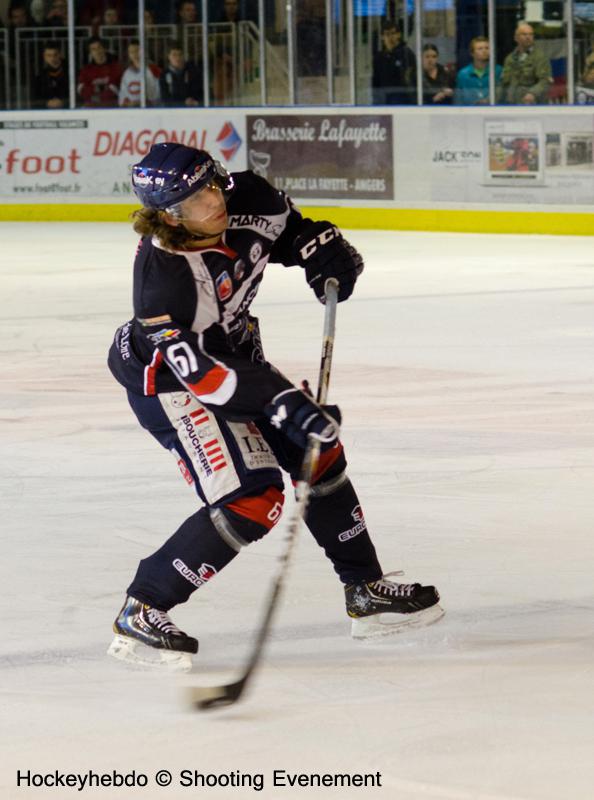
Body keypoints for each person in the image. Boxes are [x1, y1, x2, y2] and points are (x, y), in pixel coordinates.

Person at [106, 143, 444, 669]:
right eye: (193, 202)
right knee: (252, 500)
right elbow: (206, 377)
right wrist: (285, 403)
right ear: (168, 215)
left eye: (212, 185)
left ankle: (365, 590)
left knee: (319, 453)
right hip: (176, 383)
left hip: (238, 355)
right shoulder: (162, 282)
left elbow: (288, 233)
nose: (212, 202)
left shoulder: (249, 195)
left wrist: (319, 251)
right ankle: (144, 607)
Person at [497, 22, 552, 105]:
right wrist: (491, 99)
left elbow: (545, 81)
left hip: (533, 103)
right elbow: (503, 83)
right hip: (512, 103)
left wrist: (532, 93)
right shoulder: (510, 58)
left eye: (531, 34)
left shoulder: (540, 57)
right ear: (516, 38)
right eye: (524, 34)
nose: (528, 37)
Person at [372, 19, 416, 105]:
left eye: (393, 33)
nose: (390, 37)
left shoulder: (407, 54)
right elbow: (376, 81)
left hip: (403, 99)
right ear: (382, 37)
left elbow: (411, 79)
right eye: (387, 34)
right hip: (383, 99)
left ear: (399, 35)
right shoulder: (378, 57)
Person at [455, 36, 502, 105]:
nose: (484, 51)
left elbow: (503, 95)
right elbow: (458, 100)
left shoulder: (498, 71)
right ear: (472, 53)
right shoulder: (463, 74)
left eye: (487, 48)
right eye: (480, 49)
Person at [77, 35, 122, 107]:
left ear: (104, 48)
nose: (97, 51)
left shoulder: (116, 67)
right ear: (90, 52)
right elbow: (81, 90)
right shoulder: (86, 70)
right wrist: (101, 88)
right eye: (93, 49)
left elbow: (115, 90)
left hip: (111, 107)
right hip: (91, 107)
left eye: (99, 47)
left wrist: (93, 89)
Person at [159, 41, 203, 107]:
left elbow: (200, 92)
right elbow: (165, 97)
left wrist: (194, 100)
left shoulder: (193, 71)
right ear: (168, 56)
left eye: (180, 54)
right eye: (174, 55)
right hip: (172, 111)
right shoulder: (164, 74)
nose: (178, 58)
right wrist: (183, 102)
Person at [118, 39, 161, 106]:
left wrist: (147, 102)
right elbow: (123, 94)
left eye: (137, 51)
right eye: (131, 52)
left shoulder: (154, 69)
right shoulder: (127, 73)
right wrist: (127, 104)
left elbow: (159, 92)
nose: (135, 54)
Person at [31, 42, 68, 108]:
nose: (52, 58)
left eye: (55, 55)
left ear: (60, 55)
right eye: (49, 55)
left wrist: (63, 101)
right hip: (47, 114)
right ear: (44, 57)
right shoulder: (40, 77)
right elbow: (35, 99)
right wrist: (47, 103)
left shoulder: (70, 73)